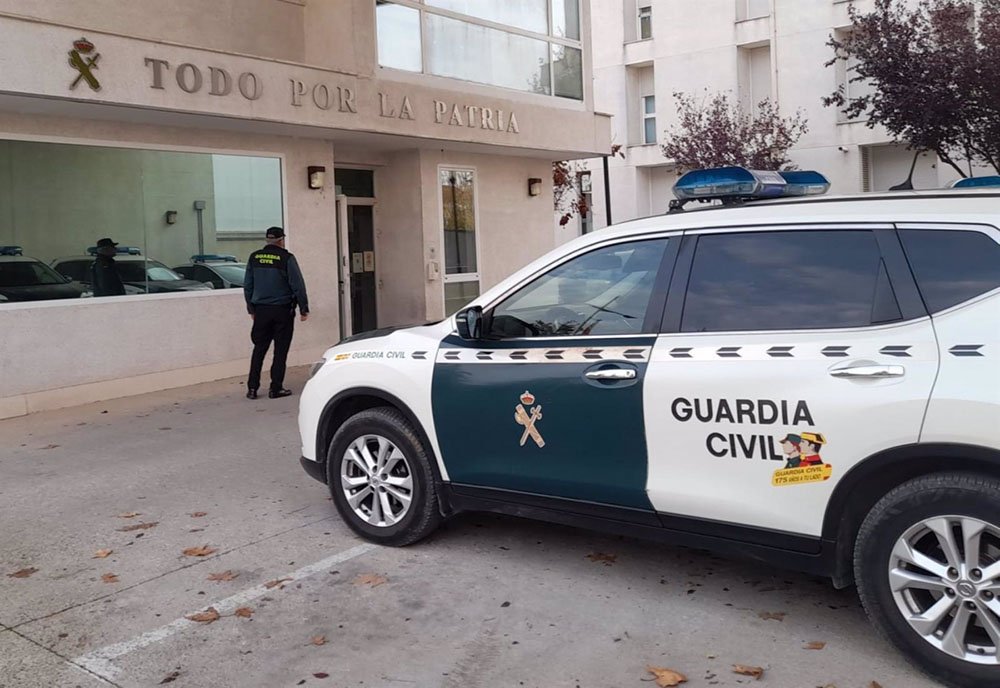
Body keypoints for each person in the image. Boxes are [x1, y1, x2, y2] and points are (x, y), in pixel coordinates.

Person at [244, 226, 310, 400]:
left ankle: (252, 388)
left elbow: (248, 285)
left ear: (267, 240)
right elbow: (297, 285)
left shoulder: (254, 257)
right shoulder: (286, 258)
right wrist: (304, 308)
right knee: (280, 351)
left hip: (261, 311)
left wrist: (251, 309)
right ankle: (276, 388)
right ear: (281, 240)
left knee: (259, 349)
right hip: (282, 310)